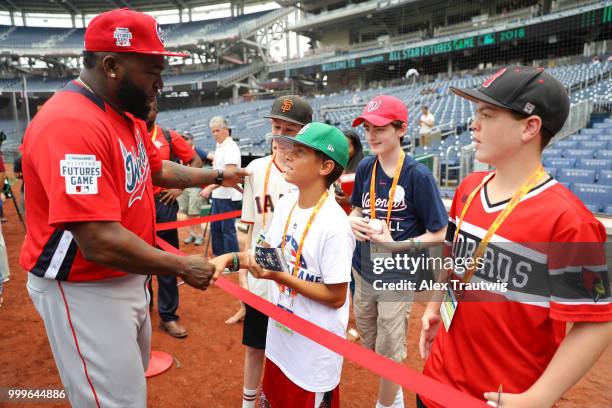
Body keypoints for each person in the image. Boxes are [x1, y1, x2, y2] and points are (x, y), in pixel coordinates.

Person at [19, 9, 247, 407]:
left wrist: (217, 175)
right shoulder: (71, 123)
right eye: (152, 70)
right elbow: (97, 240)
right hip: (84, 287)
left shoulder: (126, 115)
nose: (161, 83)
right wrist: (181, 266)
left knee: (128, 389)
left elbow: (158, 170)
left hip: (128, 275)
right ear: (111, 65)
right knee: (114, 402)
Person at [418, 66, 612, 408]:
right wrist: (435, 306)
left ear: (530, 127)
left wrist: (539, 397)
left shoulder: (569, 222)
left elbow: (596, 324)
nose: (473, 124)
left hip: (500, 397)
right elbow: (452, 260)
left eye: (487, 114)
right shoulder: (468, 189)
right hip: (435, 383)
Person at [210, 122, 355, 408]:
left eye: (299, 152)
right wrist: (231, 259)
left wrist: (281, 277)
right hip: (280, 345)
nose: (287, 156)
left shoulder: (335, 225)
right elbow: (267, 255)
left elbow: (336, 297)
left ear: (325, 167)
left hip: (311, 359)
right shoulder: (288, 203)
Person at [348, 95, 447, 408]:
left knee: (389, 353)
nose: (372, 134)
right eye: (367, 127)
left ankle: (386, 404)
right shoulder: (366, 168)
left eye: (380, 127)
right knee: (371, 344)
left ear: (402, 129)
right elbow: (354, 211)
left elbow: (440, 233)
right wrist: (353, 222)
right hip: (362, 270)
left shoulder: (418, 176)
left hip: (397, 274)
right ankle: (396, 396)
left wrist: (398, 246)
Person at [236, 95, 312, 407]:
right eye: (276, 126)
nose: (280, 136)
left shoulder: (314, 172)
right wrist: (243, 269)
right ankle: (248, 402)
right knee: (255, 346)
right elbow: (248, 226)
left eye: (289, 130)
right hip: (262, 274)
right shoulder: (255, 169)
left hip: (297, 277)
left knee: (293, 350)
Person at [146, 98, 202, 338]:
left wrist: (180, 188)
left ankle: (168, 316)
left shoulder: (168, 136)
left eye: (154, 106)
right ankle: (143, 309)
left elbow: (195, 161)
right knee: (136, 260)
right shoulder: (126, 135)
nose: (151, 109)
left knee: (166, 262)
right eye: (147, 105)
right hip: (135, 206)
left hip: (163, 205)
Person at [200, 116, 242, 257]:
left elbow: (229, 174)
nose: (215, 134)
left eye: (217, 130)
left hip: (228, 195)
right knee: (215, 227)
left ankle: (233, 261)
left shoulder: (231, 147)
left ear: (225, 130)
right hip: (219, 195)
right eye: (213, 131)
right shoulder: (220, 147)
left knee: (227, 228)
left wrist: (210, 187)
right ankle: (219, 257)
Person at [178, 132, 213, 246]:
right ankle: (192, 234)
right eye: (183, 139)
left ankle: (199, 235)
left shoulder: (197, 150)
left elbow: (212, 157)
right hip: (184, 187)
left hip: (195, 186)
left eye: (187, 139)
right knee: (187, 212)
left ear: (192, 140)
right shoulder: (180, 150)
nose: (185, 141)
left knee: (194, 213)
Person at [334, 129, 364, 209]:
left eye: (347, 146)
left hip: (355, 215)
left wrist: (350, 199)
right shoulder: (332, 166)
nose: (342, 150)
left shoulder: (363, 168)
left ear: (356, 148)